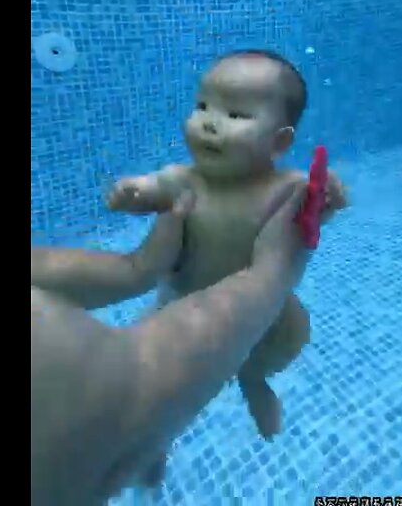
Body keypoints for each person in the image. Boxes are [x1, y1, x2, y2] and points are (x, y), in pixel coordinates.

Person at [105, 49, 347, 442]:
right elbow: (149, 193)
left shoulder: (286, 188)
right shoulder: (182, 179)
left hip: (262, 316)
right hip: (182, 302)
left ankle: (253, 382)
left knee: (264, 353)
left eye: (235, 115)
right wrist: (131, 194)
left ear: (279, 142)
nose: (209, 124)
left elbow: (310, 221)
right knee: (146, 371)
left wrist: (329, 199)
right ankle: (147, 433)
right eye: (202, 106)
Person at [31, 180, 315, 505]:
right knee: (143, 415)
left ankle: (252, 379)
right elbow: (134, 386)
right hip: (175, 324)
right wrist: (274, 270)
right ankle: (156, 452)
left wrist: (140, 267)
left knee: (282, 331)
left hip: (200, 330)